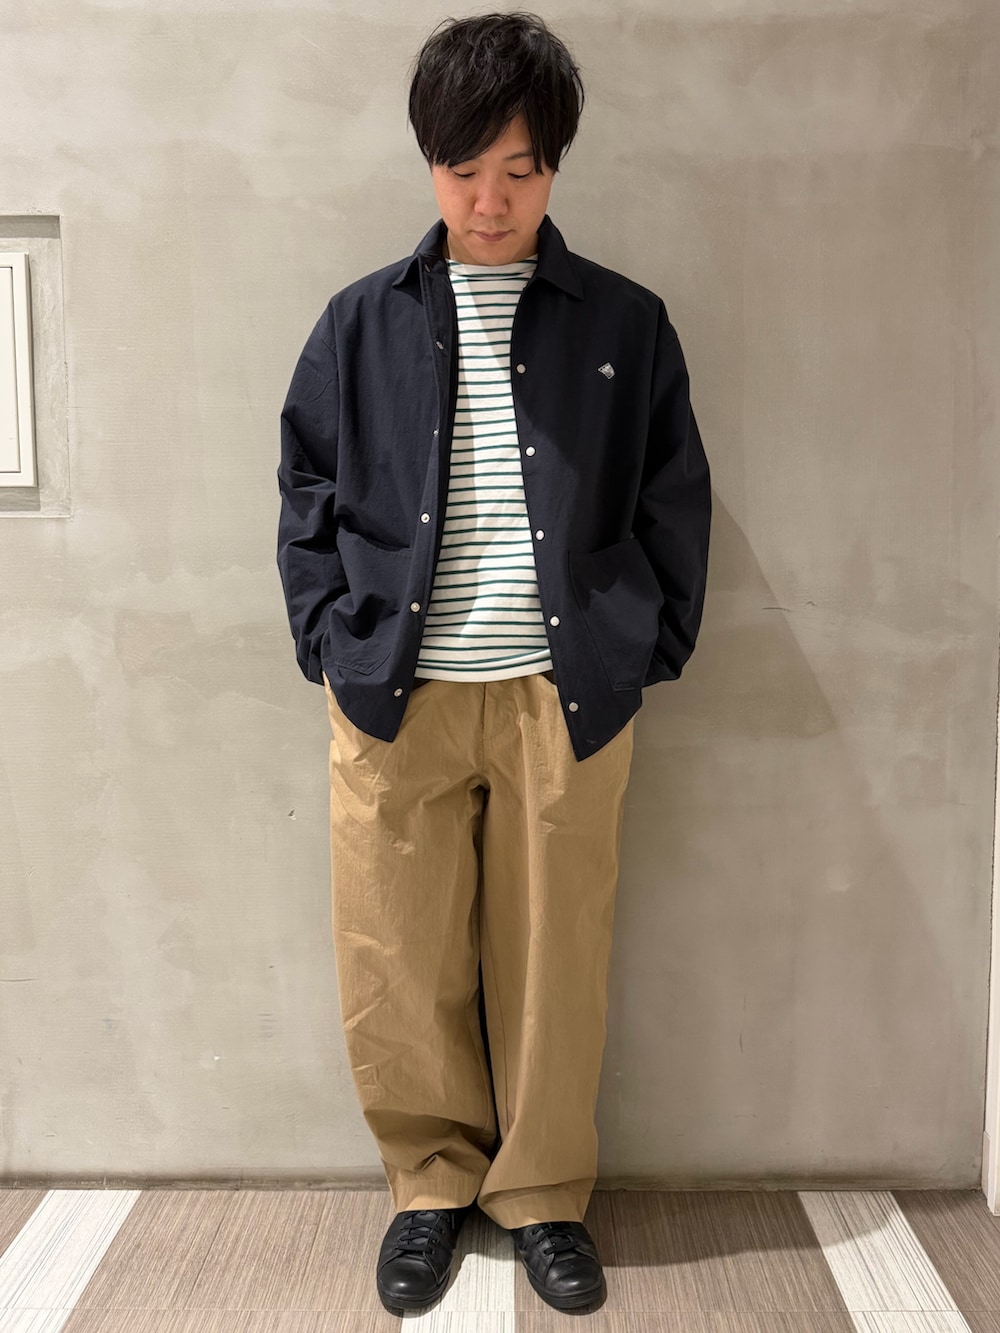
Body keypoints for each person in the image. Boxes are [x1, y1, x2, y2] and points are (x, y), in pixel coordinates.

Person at [276, 10, 711, 1316]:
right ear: (430, 163)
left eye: (518, 169)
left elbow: (673, 498)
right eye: (464, 169)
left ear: (555, 165)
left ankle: (543, 1197)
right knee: (396, 954)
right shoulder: (360, 324)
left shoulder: (625, 322)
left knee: (554, 962)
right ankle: (428, 1185)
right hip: (395, 693)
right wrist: (331, 639)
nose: (489, 199)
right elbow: (304, 491)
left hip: (559, 699)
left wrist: (641, 648)